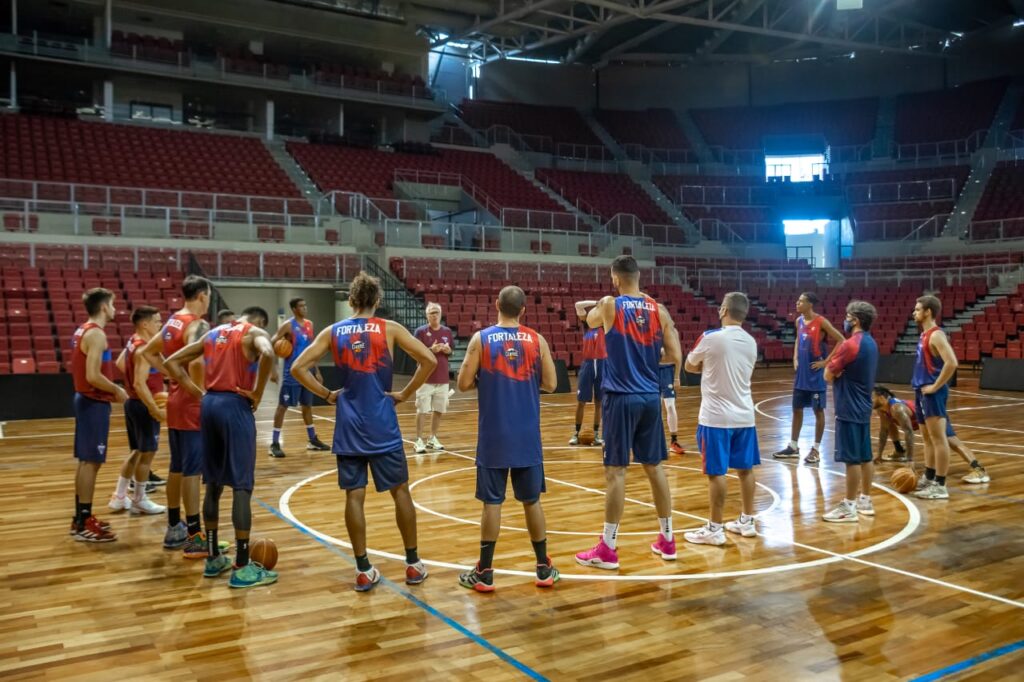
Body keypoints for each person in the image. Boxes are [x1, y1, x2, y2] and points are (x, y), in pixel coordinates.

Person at [291, 272, 436, 592]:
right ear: (377, 301)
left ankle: (362, 569)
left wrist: (327, 395)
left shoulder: (333, 331)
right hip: (382, 421)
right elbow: (427, 359)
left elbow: (296, 367)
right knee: (401, 492)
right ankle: (412, 565)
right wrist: (405, 395)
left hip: (348, 424)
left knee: (354, 496)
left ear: (352, 300)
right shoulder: (390, 329)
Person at [575, 256, 682, 569]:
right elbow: (675, 354)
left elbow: (588, 319)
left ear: (615, 278)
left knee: (616, 472)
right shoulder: (658, 309)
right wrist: (649, 362)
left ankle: (608, 547)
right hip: (650, 396)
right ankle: (668, 539)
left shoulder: (610, 304)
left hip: (621, 397)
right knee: (655, 468)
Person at [455, 286, 560, 592]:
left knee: (492, 503)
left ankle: (485, 572)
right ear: (523, 310)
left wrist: (484, 379)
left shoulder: (481, 339)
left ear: (497, 304)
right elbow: (551, 384)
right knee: (531, 501)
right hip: (527, 434)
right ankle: (543, 568)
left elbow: (462, 383)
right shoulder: (536, 340)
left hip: (493, 435)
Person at [165, 307, 278, 589]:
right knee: (241, 485)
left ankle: (213, 558)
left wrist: (197, 392)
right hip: (234, 407)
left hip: (209, 406)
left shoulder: (213, 333)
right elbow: (268, 353)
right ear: (258, 321)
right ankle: (241, 566)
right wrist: (258, 392)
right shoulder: (254, 333)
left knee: (213, 483)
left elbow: (171, 361)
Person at [682, 292, 761, 545]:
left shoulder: (710, 338)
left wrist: (708, 366)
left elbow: (689, 366)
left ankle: (715, 528)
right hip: (745, 416)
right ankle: (747, 521)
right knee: (745, 470)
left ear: (724, 309)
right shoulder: (751, 341)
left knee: (716, 473)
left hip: (716, 418)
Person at [141, 275, 211, 556]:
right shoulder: (197, 324)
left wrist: (173, 378)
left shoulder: (171, 322)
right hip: (192, 404)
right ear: (203, 296)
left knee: (177, 467)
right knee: (193, 471)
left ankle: (174, 527)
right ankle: (194, 536)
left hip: (174, 401)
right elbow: (194, 362)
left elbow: (149, 352)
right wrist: (200, 393)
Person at [70, 287, 128, 542]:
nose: (115, 309)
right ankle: (83, 522)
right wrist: (117, 389)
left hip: (86, 400)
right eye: (113, 304)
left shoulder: (83, 329)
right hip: (93, 402)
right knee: (91, 462)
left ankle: (81, 518)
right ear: (104, 307)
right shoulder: (96, 335)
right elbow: (93, 375)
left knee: (86, 461)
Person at [822, 301, 880, 523]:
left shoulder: (850, 344)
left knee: (852, 459)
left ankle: (849, 506)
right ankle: (865, 500)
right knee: (865, 456)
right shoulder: (871, 343)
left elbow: (827, 375)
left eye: (847, 316)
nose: (844, 320)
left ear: (855, 319)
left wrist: (836, 373)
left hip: (848, 407)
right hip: (864, 406)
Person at [108, 305, 167, 517]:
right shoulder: (143, 348)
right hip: (143, 404)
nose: (160, 325)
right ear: (145, 324)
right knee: (146, 454)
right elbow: (140, 384)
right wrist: (155, 408)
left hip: (132, 404)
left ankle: (119, 496)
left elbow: (120, 363)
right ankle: (140, 499)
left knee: (136, 452)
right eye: (157, 321)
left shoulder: (133, 341)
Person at [774, 292, 845, 465]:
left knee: (818, 412)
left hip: (816, 376)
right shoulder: (799, 321)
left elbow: (841, 340)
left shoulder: (821, 321)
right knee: (796, 409)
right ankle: (793, 447)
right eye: (797, 300)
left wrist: (826, 362)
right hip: (801, 374)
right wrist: (795, 357)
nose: (797, 303)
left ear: (810, 304)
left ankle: (816, 449)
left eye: (801, 301)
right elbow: (798, 339)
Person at [871, 386, 990, 484]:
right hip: (921, 421)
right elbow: (883, 432)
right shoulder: (882, 410)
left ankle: (979, 470)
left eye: (872, 398)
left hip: (931, 416)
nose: (868, 400)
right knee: (888, 424)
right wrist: (879, 455)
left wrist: (910, 459)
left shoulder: (897, 409)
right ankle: (899, 451)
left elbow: (909, 433)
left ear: (882, 398)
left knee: (952, 441)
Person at [911, 295, 959, 500]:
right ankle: (929, 477)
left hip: (933, 393)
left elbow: (952, 363)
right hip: (921, 390)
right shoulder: (923, 335)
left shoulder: (936, 335)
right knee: (927, 438)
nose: (914, 312)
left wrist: (935, 387)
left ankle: (940, 485)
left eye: (917, 308)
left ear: (928, 311)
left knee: (939, 439)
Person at [269, 298, 330, 458]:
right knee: (283, 406)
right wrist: (273, 368)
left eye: (305, 305)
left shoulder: (309, 324)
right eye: (301, 306)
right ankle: (274, 443)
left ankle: (312, 440)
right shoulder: (288, 325)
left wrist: (317, 371)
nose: (305, 308)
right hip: (292, 374)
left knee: (307, 407)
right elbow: (271, 343)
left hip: (307, 373)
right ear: (294, 309)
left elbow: (313, 349)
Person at [413, 302, 454, 454]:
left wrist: (448, 350)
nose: (434, 315)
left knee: (439, 410)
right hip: (425, 378)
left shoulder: (447, 331)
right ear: (427, 315)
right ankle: (418, 440)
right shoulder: (420, 332)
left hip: (442, 377)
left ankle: (432, 438)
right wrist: (431, 350)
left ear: (440, 314)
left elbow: (452, 352)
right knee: (422, 410)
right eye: (431, 313)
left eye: (436, 312)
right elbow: (415, 352)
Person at [570, 300, 605, 446]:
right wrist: (597, 303)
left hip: (604, 363)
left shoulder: (607, 325)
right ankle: (576, 434)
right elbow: (578, 305)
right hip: (588, 363)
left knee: (599, 402)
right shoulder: (586, 325)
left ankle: (596, 434)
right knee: (581, 402)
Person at [660, 336, 685, 455]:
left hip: (667, 371)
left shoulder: (670, 331)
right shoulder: (646, 327)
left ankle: (674, 441)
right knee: (654, 408)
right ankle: (656, 440)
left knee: (670, 406)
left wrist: (676, 377)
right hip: (651, 371)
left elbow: (678, 355)